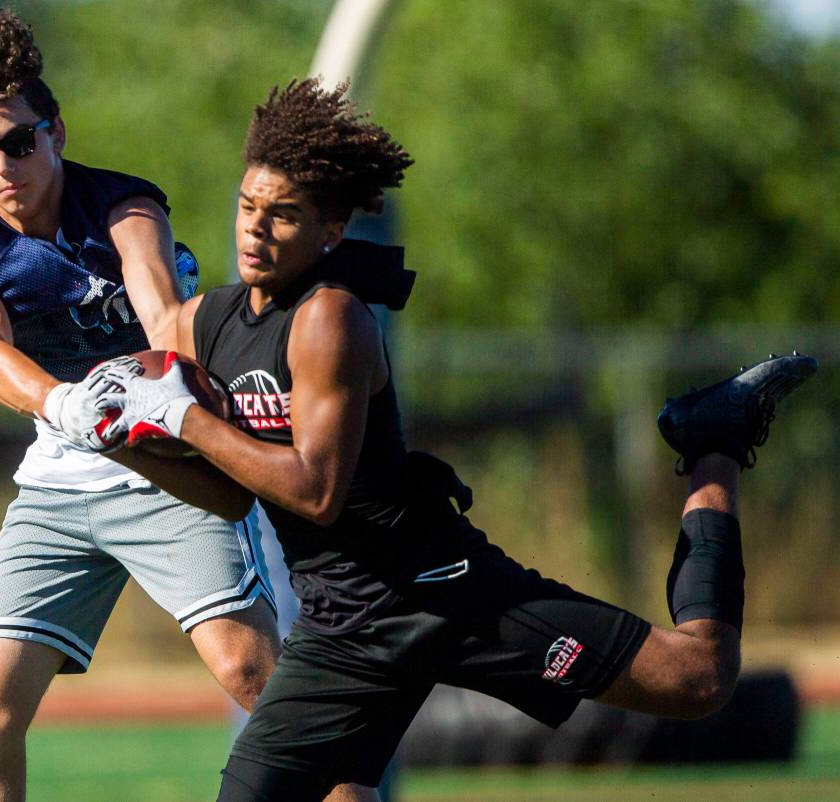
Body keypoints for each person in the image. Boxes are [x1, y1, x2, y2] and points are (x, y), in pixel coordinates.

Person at [82, 79, 816, 800]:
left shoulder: (332, 318)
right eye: (248, 206)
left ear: (330, 231)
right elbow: (231, 497)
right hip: (339, 630)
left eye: (283, 215)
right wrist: (123, 440)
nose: (254, 229)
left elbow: (316, 490)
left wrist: (183, 420)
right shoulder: (209, 322)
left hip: (443, 595)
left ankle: (713, 441)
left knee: (698, 678)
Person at [0, 7, 283, 801]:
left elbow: (159, 310)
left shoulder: (125, 206)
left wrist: (156, 392)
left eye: (18, 142)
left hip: (164, 467)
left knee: (256, 676)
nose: (2, 167)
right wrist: (66, 406)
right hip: (60, 480)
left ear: (56, 131)